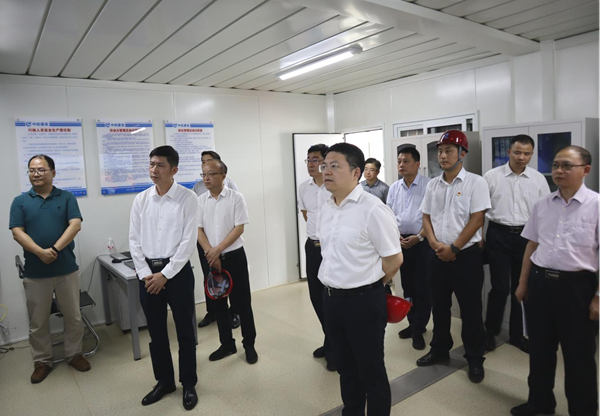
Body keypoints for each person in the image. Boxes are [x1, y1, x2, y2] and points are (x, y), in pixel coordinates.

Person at [511, 146, 598, 416]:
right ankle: (540, 403)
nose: (559, 171)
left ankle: (582, 411)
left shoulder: (596, 205)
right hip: (541, 285)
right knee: (540, 350)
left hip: (578, 288)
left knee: (578, 356)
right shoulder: (543, 204)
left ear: (585, 170)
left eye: (566, 166)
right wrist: (523, 283)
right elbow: (532, 245)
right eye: (556, 165)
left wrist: (598, 297)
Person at [319, 143, 403, 416]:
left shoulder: (373, 209)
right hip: (331, 299)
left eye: (335, 166)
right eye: (325, 166)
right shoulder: (327, 206)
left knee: (371, 372)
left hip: (363, 301)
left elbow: (394, 259)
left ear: (356, 172)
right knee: (346, 368)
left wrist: (371, 286)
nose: (326, 171)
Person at [417, 130, 490, 384]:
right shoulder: (432, 185)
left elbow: (477, 219)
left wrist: (455, 248)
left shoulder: (476, 183)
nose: (443, 155)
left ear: (462, 154)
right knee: (439, 306)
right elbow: (426, 217)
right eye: (440, 151)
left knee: (471, 310)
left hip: (466, 257)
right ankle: (439, 348)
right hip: (436, 254)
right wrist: (434, 244)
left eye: (449, 150)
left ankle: (475, 358)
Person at [9, 154, 90, 383]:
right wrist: (40, 252)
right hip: (36, 273)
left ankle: (74, 354)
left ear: (53, 173)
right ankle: (42, 361)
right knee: (38, 322)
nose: (36, 174)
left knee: (73, 316)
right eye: (32, 170)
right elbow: (17, 232)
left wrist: (53, 250)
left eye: (41, 170)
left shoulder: (66, 197)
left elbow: (75, 225)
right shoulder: (20, 201)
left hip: (66, 269)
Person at [129, 145, 199, 411]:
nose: (153, 170)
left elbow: (188, 242)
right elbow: (134, 240)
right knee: (156, 332)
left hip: (177, 273)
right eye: (151, 164)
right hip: (148, 274)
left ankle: (188, 383)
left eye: (160, 165)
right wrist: (146, 274)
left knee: (185, 331)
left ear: (174, 169)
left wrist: (166, 274)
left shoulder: (187, 198)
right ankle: (165, 381)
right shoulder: (141, 199)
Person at [483, 135, 550, 353]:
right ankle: (490, 332)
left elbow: (545, 212)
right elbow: (479, 210)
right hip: (498, 235)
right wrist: (479, 237)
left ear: (532, 154)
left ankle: (517, 335)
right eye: (518, 152)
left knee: (521, 289)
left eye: (527, 153)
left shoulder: (538, 179)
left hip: (526, 237)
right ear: (509, 152)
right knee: (500, 288)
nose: (522, 157)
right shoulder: (491, 177)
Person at [197, 160, 258, 364]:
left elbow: (239, 228)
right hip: (211, 259)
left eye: (210, 174)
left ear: (223, 176)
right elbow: (198, 230)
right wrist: (210, 252)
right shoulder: (200, 201)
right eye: (203, 174)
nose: (206, 178)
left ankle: (249, 344)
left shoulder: (236, 197)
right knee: (218, 303)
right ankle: (227, 344)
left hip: (234, 257)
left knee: (242, 303)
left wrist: (217, 250)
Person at [386, 147, 431, 350]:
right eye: (399, 161)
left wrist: (419, 237)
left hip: (422, 241)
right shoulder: (394, 188)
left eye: (405, 161)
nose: (401, 165)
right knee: (408, 286)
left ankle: (419, 327)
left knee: (423, 287)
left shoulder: (429, 186)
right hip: (401, 242)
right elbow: (389, 215)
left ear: (417, 164)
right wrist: (395, 236)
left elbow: (433, 216)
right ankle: (412, 323)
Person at [297, 143, 335, 370]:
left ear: (325, 162)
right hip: (313, 247)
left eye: (315, 160)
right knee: (316, 296)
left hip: (332, 249)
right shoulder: (304, 187)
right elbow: (306, 215)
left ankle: (335, 347)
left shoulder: (335, 186)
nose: (310, 164)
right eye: (308, 160)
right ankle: (330, 340)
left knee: (332, 298)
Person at [194, 150, 240, 329]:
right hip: (205, 242)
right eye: (202, 162)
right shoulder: (198, 187)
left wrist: (218, 249)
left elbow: (235, 220)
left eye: (209, 161)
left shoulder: (231, 186)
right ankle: (212, 311)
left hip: (225, 243)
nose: (205, 164)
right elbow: (196, 220)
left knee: (231, 279)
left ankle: (234, 312)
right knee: (209, 277)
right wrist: (209, 249)